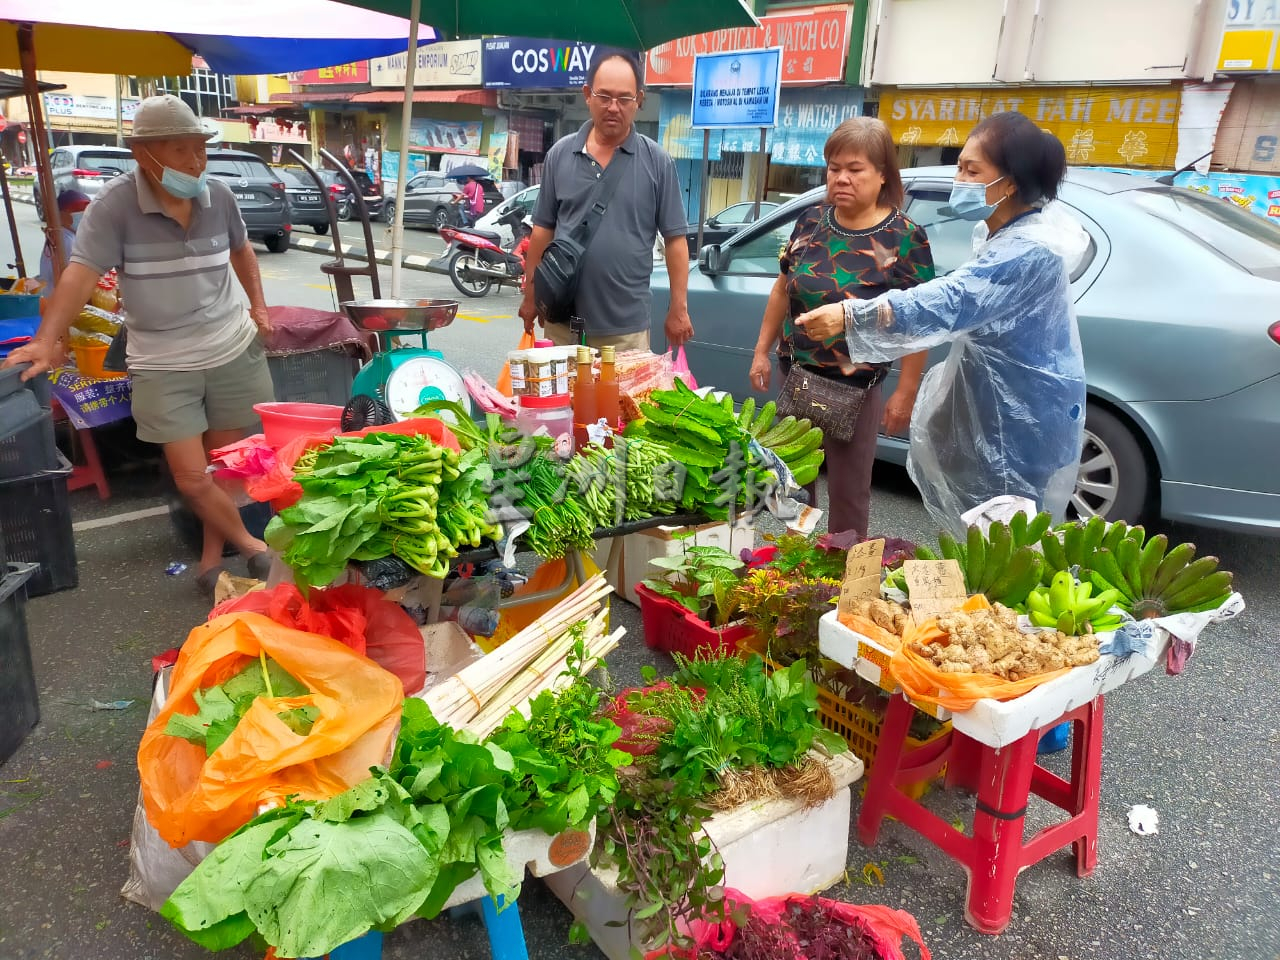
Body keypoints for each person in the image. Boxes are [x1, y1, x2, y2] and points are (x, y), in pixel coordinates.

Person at [3, 94, 277, 596]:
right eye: (180, 150)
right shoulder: (114, 207)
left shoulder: (220, 196)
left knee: (226, 468)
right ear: (142, 154)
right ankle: (254, 549)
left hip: (230, 348)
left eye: (200, 149)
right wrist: (48, 339)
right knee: (192, 476)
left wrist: (258, 308)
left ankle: (212, 560)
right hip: (163, 362)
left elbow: (242, 250)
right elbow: (80, 274)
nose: (196, 162)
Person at [795, 112, 1089, 533]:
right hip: (999, 411)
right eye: (959, 166)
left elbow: (949, 300)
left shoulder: (1027, 250)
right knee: (986, 539)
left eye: (972, 170)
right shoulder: (1004, 235)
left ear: (1007, 184)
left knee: (1009, 542)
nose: (960, 178)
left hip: (1020, 424)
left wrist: (851, 314)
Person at [749, 118, 933, 539]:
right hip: (796, 375)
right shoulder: (810, 221)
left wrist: (905, 392)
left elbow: (917, 322)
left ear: (883, 174)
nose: (842, 178)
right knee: (791, 485)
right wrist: (761, 350)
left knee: (850, 494)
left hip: (857, 387)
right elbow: (782, 288)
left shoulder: (905, 238)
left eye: (855, 169)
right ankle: (791, 573)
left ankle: (844, 582)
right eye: (834, 168)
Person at [519, 52, 693, 351]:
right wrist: (531, 296)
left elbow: (675, 240)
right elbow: (542, 231)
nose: (614, 107)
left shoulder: (657, 162)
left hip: (627, 332)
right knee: (562, 400)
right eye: (604, 96)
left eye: (624, 99)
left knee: (622, 401)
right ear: (588, 95)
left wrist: (679, 307)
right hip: (562, 325)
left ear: (639, 99)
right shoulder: (560, 155)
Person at [38, 189, 91, 290]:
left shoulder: (67, 235)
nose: (84, 215)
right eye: (78, 211)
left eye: (87, 211)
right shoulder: (65, 240)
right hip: (57, 296)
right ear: (61, 215)